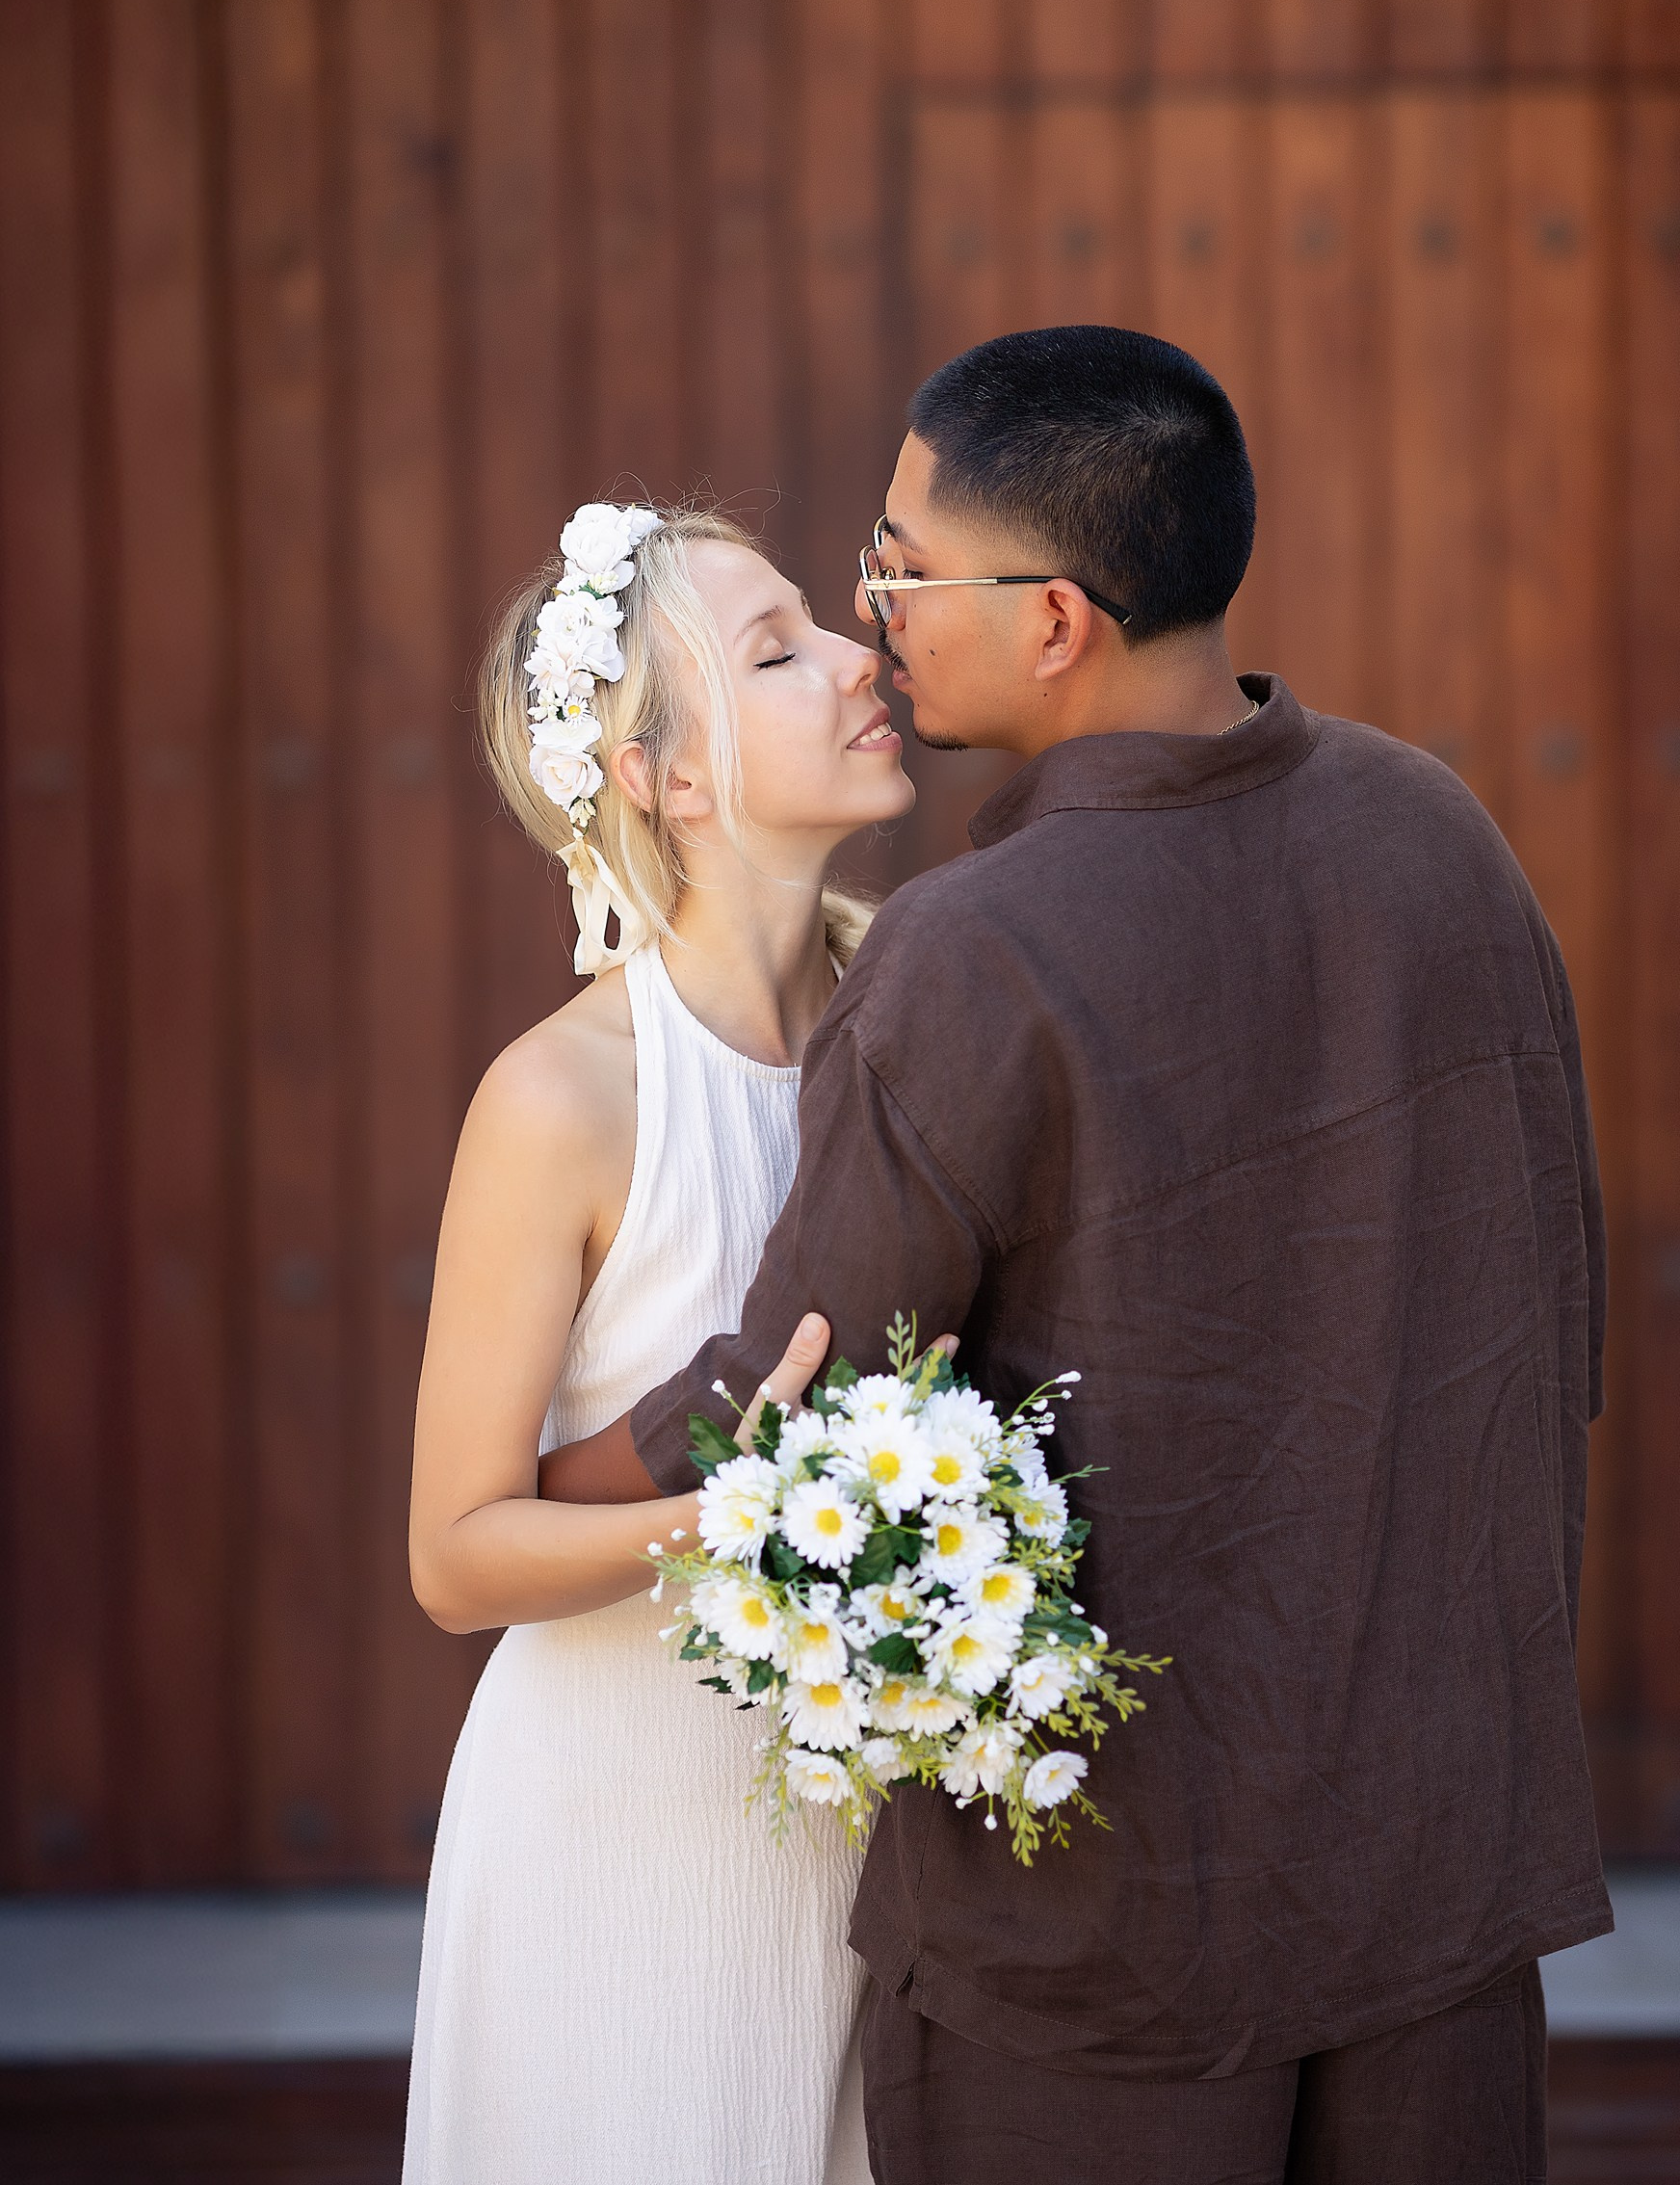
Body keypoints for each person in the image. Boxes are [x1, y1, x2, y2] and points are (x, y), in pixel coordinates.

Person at [544, 325, 1611, 2183]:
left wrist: (532, 1496)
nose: (874, 609)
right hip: (1443, 1863)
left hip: (1109, 1929)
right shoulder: (1440, 830)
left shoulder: (975, 948)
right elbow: (1557, 1314)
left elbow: (806, 1393)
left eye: (898, 564)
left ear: (1052, 618)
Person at [403, 502, 913, 2185]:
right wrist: (732, 1519)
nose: (859, 656)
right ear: (664, 778)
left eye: (821, 625)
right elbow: (458, 1554)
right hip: (615, 1841)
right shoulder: (562, 1097)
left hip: (867, 1854)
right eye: (778, 650)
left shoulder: (914, 1030)